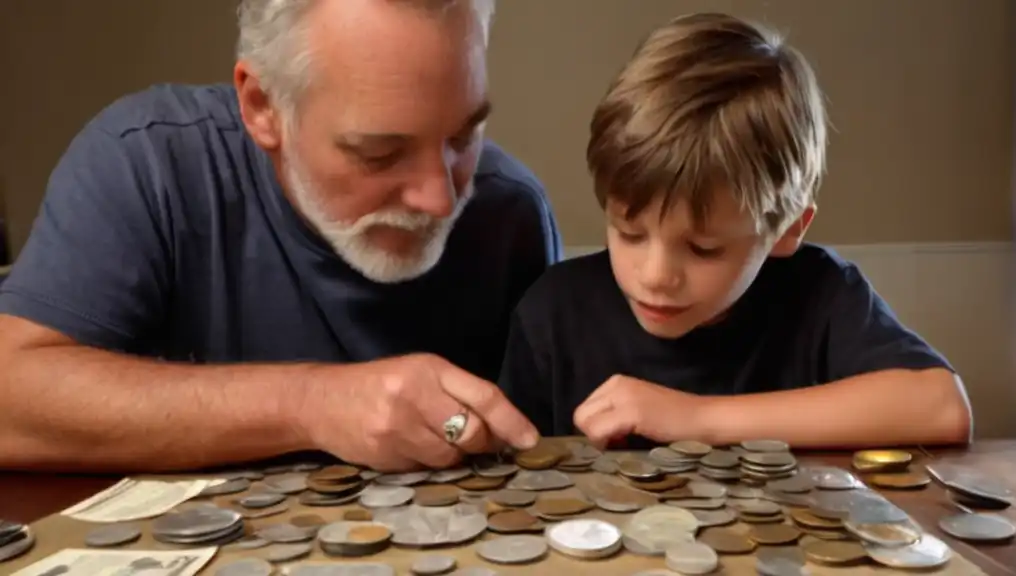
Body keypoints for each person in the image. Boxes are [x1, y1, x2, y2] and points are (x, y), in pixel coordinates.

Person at [0, 0, 558, 473]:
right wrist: (311, 402)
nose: (440, 198)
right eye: (380, 154)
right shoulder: (147, 164)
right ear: (262, 107)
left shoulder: (511, 213)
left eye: (464, 135)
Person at [498, 12, 973, 450]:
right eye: (630, 233)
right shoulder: (553, 315)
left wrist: (700, 419)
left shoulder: (820, 296)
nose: (656, 275)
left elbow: (942, 408)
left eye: (703, 249)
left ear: (786, 230)